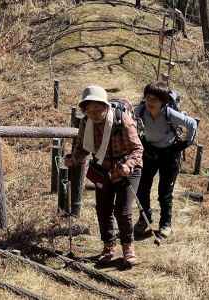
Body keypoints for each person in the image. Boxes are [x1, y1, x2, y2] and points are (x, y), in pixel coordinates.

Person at [64, 85, 143, 266]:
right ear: (85, 109)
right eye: (90, 109)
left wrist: (128, 166)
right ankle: (108, 247)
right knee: (103, 209)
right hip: (102, 169)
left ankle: (128, 248)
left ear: (105, 106)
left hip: (127, 169)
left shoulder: (122, 120)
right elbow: (83, 148)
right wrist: (73, 159)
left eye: (98, 107)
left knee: (122, 211)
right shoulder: (86, 123)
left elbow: (138, 149)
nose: (94, 112)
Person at [133, 81, 197, 238]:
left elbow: (192, 123)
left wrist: (185, 143)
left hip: (169, 154)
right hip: (149, 152)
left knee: (165, 192)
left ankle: (165, 223)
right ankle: (144, 218)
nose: (150, 102)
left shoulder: (170, 113)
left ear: (163, 101)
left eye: (154, 99)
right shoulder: (140, 111)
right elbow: (129, 121)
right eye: (148, 98)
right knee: (142, 187)